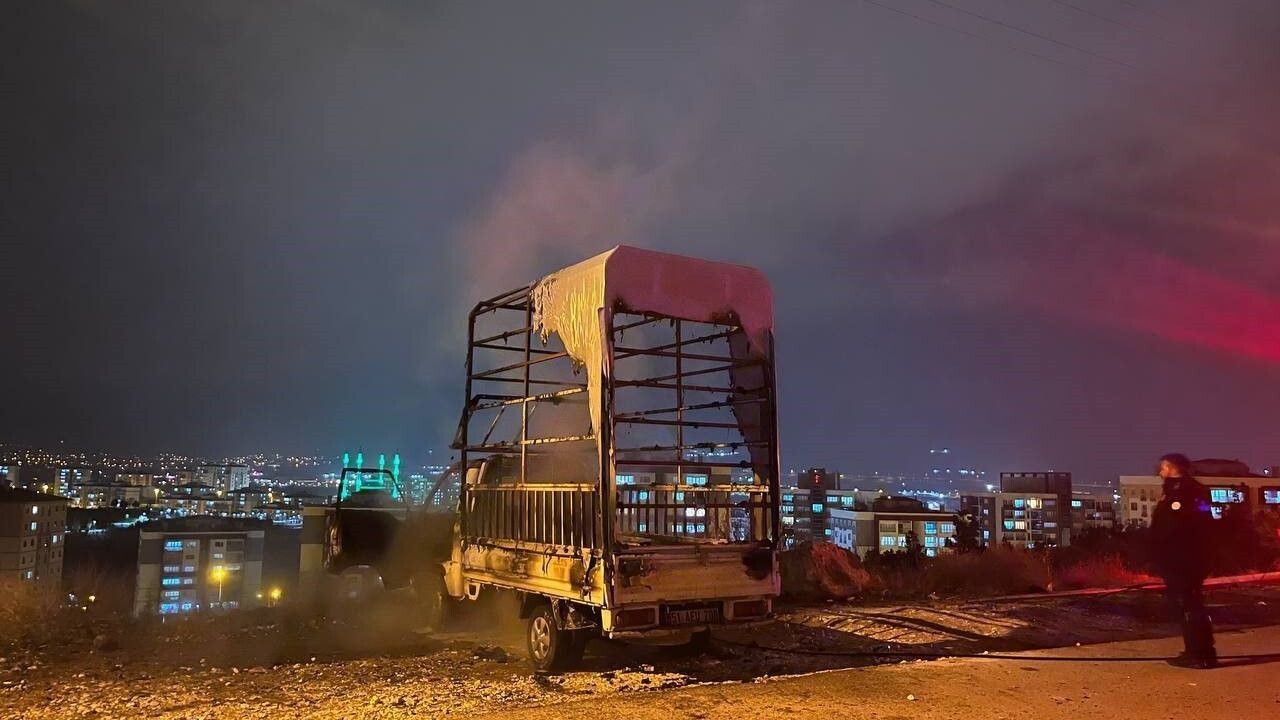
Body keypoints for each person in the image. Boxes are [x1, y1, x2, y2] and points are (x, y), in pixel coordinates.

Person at [1149, 453, 1217, 668]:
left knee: (1188, 605)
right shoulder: (1195, 489)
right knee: (1193, 603)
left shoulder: (1180, 492)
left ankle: (1197, 654)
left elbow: (1172, 528)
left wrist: (1159, 551)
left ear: (1171, 468)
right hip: (1192, 558)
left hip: (1181, 559)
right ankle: (1202, 651)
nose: (1160, 472)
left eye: (1163, 468)